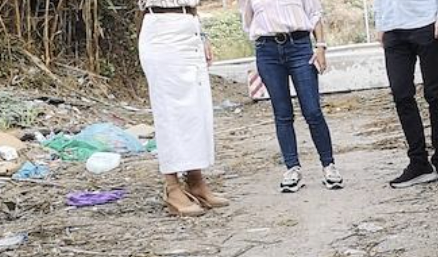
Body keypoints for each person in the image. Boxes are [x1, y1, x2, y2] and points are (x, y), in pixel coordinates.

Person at [240, 0, 344, 193]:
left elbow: (315, 14)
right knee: (282, 113)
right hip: (267, 50)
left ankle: (329, 166)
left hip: (299, 47)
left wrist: (321, 47)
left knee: (312, 111)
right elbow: (248, 21)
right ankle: (292, 168)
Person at [138, 0, 229, 217]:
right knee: (170, 110)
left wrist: (202, 35)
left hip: (190, 26)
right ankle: (172, 187)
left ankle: (195, 181)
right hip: (161, 28)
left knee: (197, 110)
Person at [376, 0, 438, 188]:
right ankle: (419, 162)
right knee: (401, 94)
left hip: (427, 22)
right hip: (393, 29)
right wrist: (380, 22)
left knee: (435, 94)